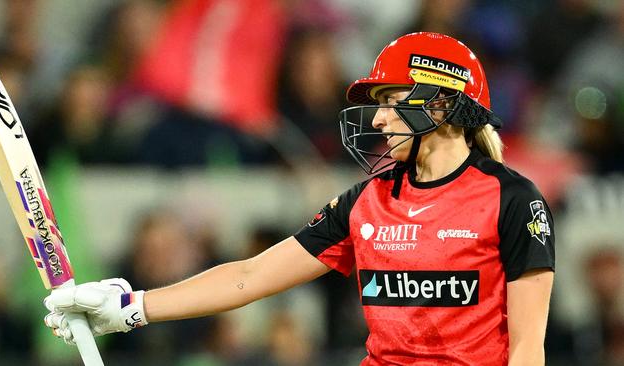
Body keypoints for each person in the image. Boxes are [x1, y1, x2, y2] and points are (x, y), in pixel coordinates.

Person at [43, 32, 555, 365]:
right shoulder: (364, 203)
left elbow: (529, 347)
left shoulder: (513, 201)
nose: (377, 119)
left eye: (392, 103)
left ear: (443, 103)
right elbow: (251, 275)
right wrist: (133, 306)